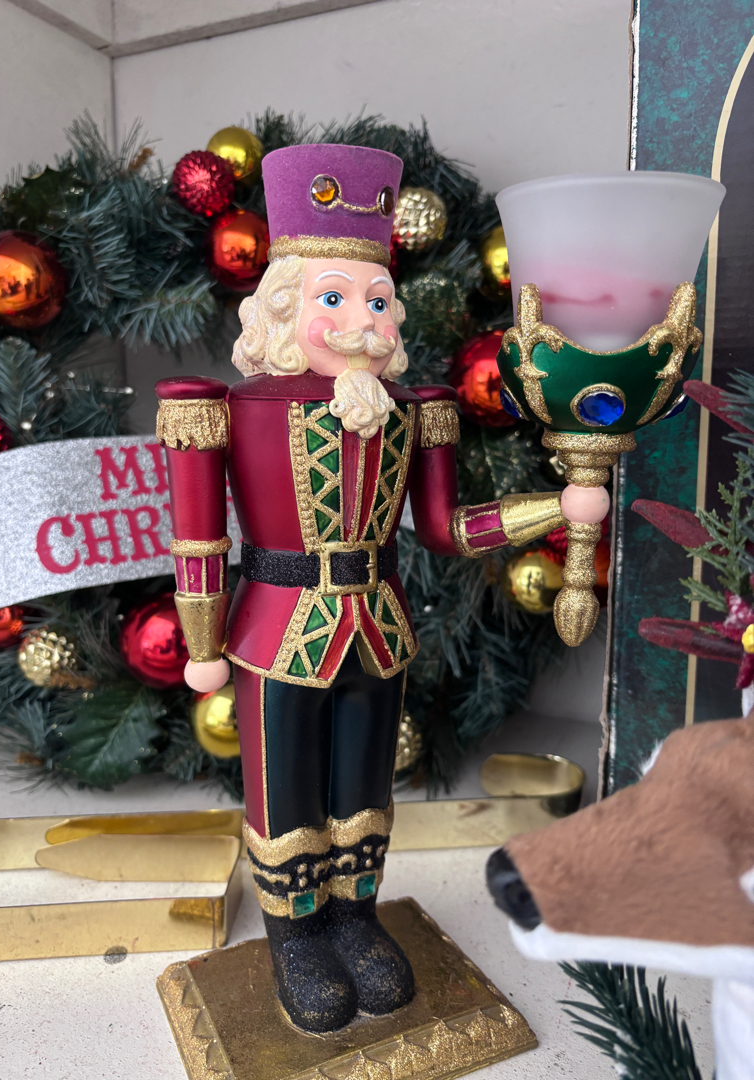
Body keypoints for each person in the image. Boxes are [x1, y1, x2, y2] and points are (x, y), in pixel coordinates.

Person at [156, 143, 608, 1033]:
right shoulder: (230, 409)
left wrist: (555, 507)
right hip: (277, 627)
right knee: (285, 784)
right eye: (333, 299)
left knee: (364, 779)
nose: (359, 322)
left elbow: (445, 530)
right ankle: (296, 935)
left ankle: (355, 919)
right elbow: (199, 536)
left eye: (374, 302)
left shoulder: (414, 412)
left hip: (378, 624)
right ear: (282, 308)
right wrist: (201, 646)